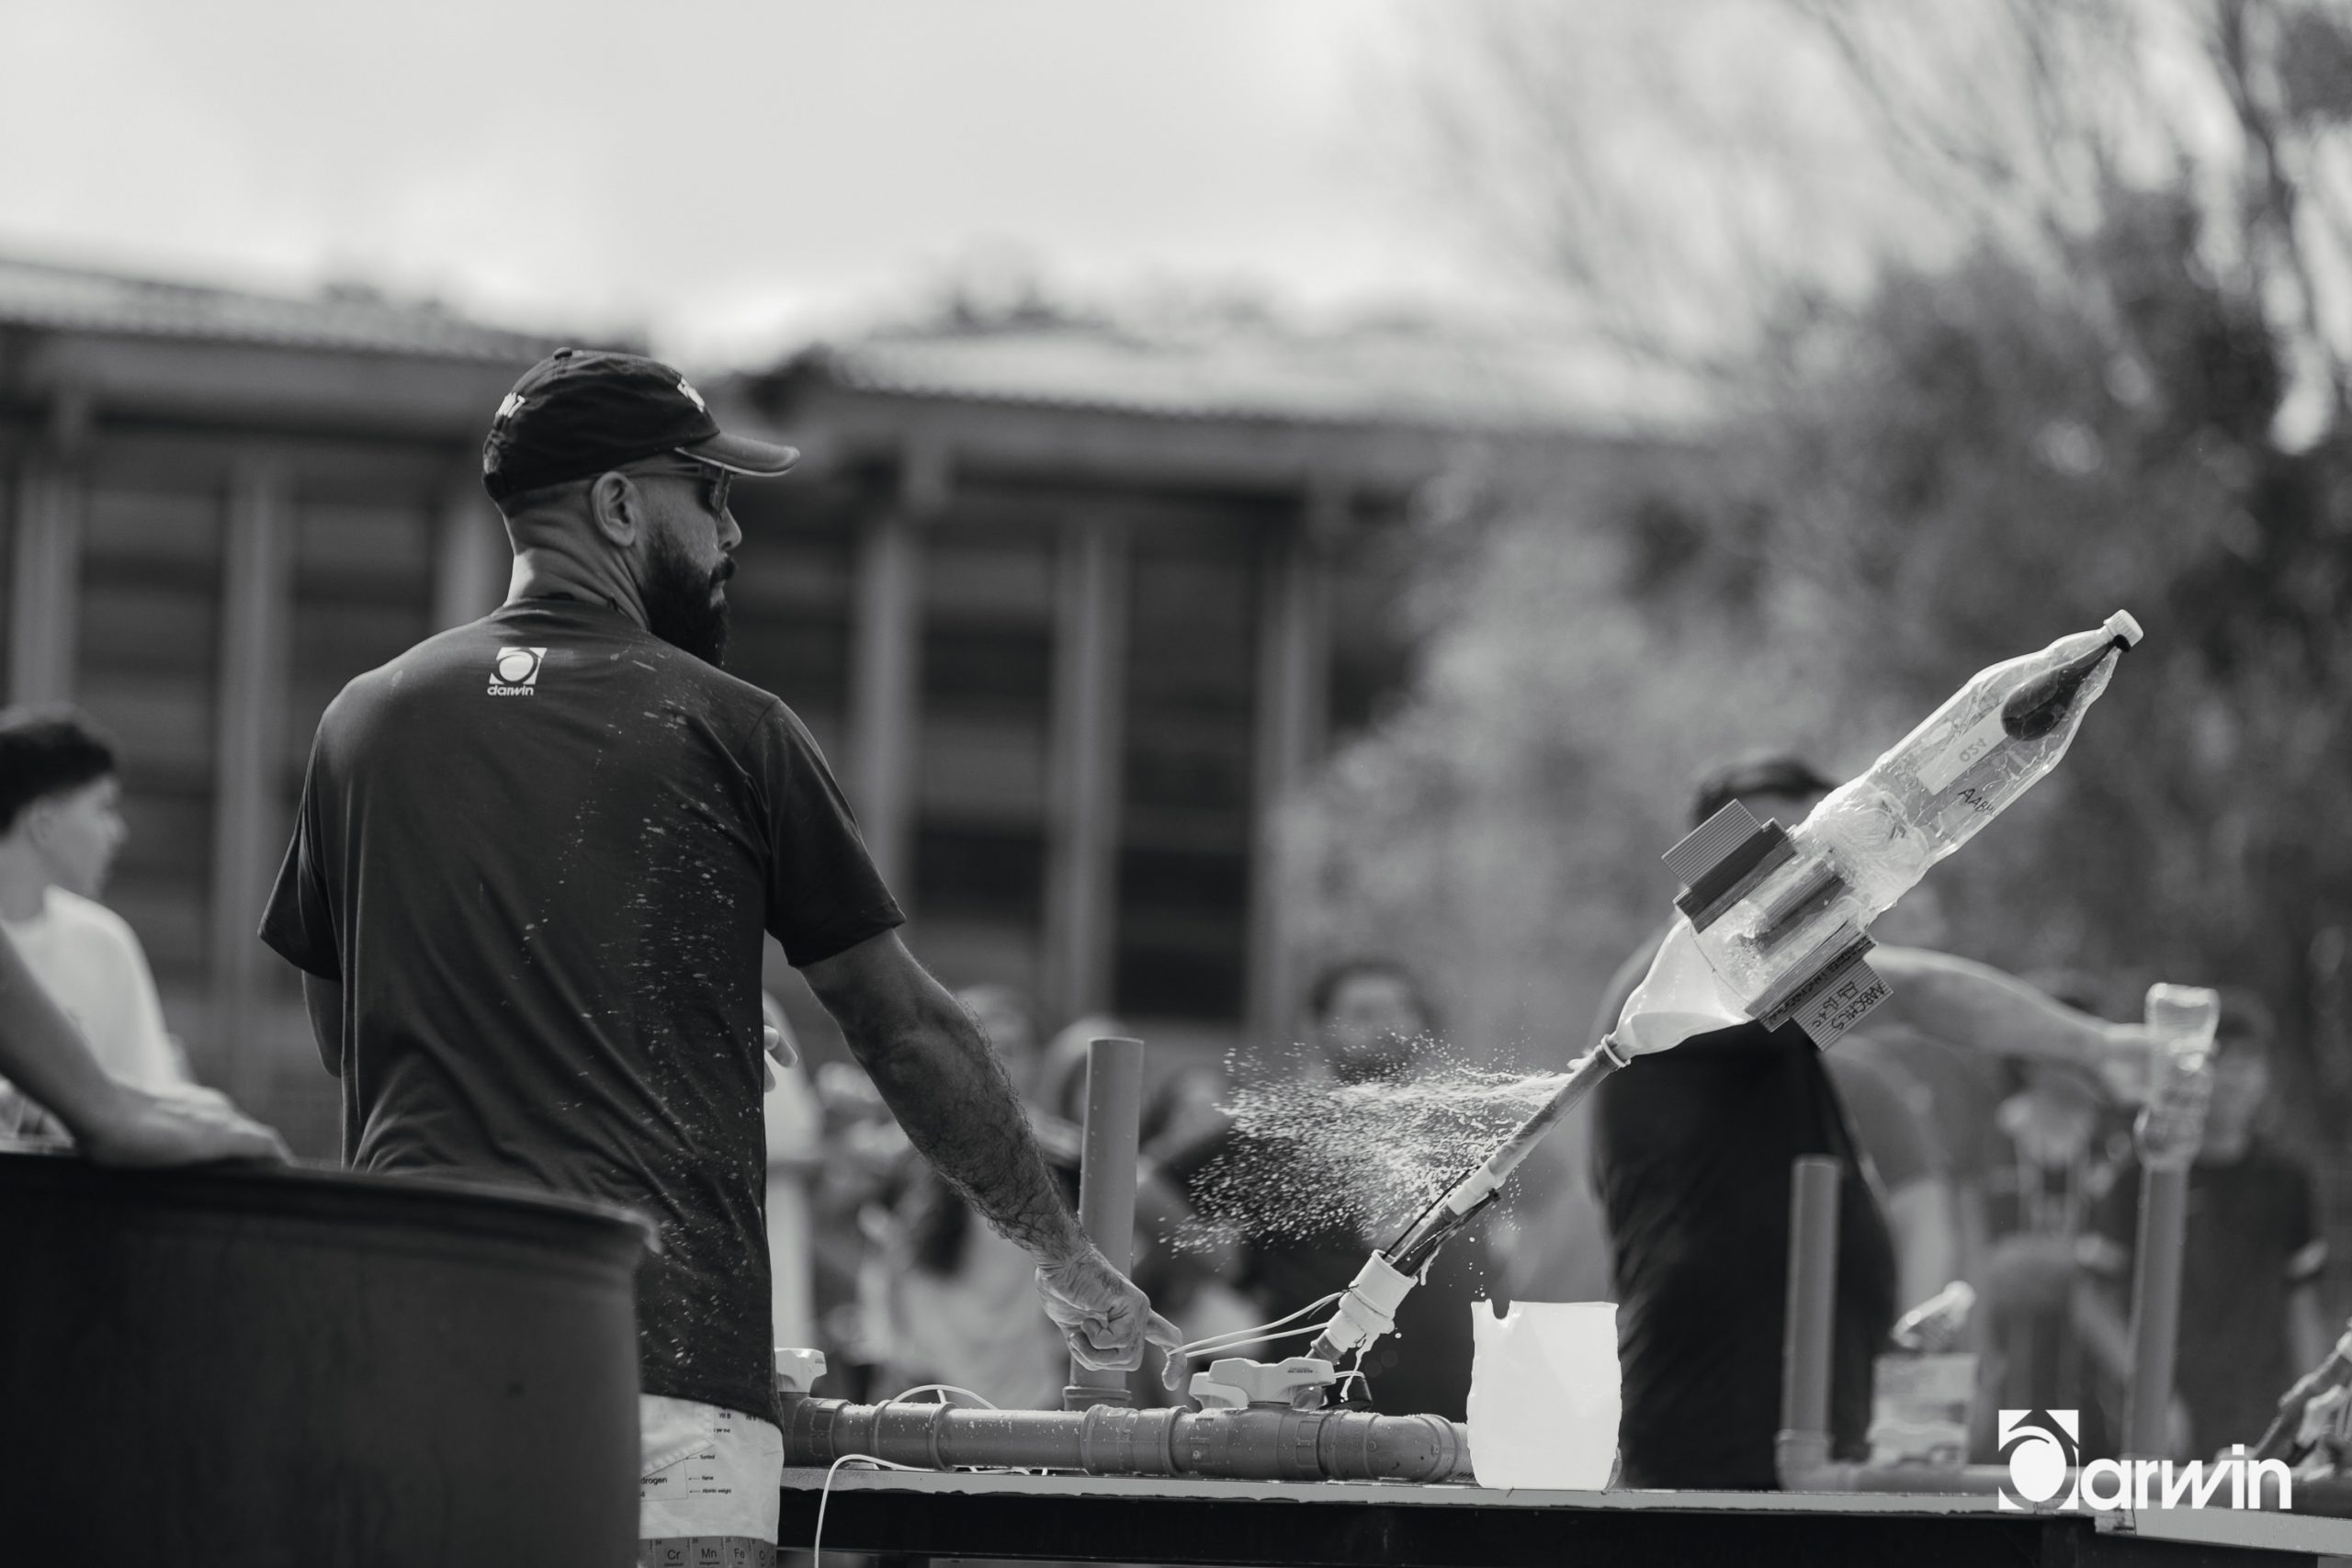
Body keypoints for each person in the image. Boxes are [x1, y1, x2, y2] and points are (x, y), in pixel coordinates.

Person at [258, 348, 1175, 1560]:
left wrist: (645, 1004)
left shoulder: (365, 718)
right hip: (653, 1352)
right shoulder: (725, 723)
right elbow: (901, 1028)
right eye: (710, 492)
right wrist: (1065, 1254)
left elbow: (351, 1034)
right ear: (620, 504)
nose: (732, 529)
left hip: (401, 1346)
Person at [1585, 750, 2153, 1489]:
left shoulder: (1762, 1020)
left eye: (1814, 842)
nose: (1804, 863)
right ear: (1714, 856)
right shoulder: (1685, 991)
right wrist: (2096, 1045)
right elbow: (1907, 991)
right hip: (1719, 1410)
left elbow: (1880, 1000)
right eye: (1776, 840)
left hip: (1799, 1408)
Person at [1164, 958, 1495, 1421]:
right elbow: (1145, 1182)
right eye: (1363, 1014)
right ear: (1317, 1027)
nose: (1388, 1027)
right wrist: (1229, 1266)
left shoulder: (1459, 1123)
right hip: (1316, 1393)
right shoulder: (1277, 1128)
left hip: (1454, 1391)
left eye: (1402, 1010)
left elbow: (1557, 1201)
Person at [2076, 988, 2331, 1456]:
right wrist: (2152, 1397)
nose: (2234, 1080)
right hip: (2166, 1422)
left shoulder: (2286, 1181)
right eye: (2221, 1063)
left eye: (2249, 1063)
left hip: (2263, 1416)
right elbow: (2091, 1302)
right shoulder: (2139, 1173)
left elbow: (2303, 1306)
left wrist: (2310, 1413)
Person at [0, 709, 197, 1135]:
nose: (118, 831)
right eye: (103, 807)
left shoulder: (104, 943)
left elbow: (152, 1095)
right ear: (43, 822)